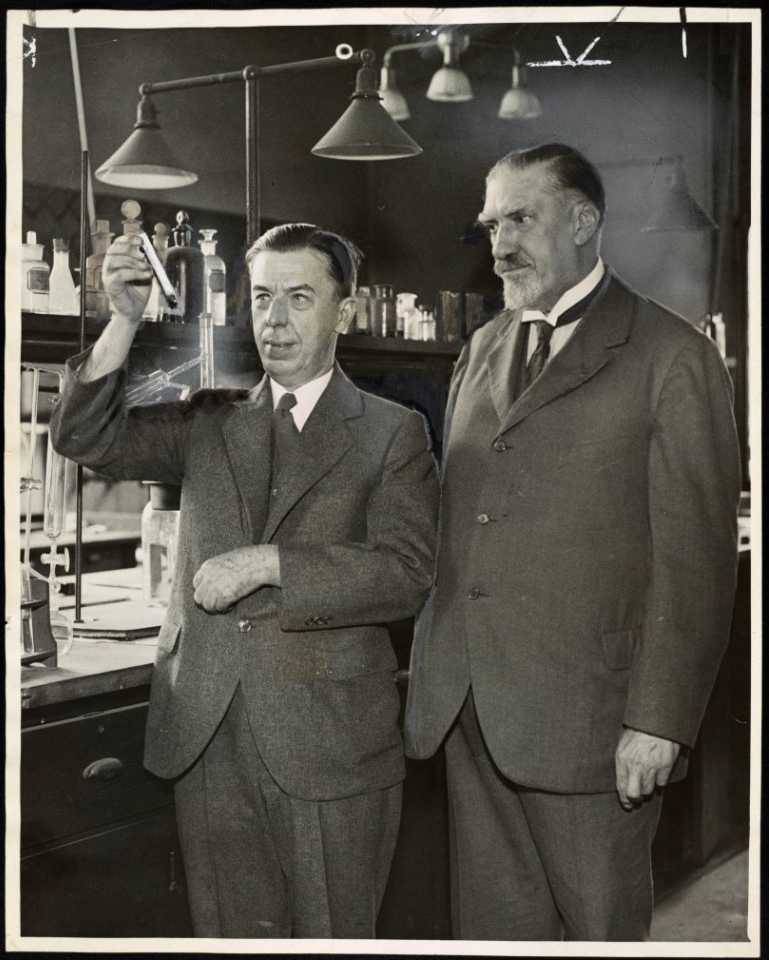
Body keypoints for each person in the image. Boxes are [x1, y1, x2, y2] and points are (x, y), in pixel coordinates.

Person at [50, 223, 439, 939]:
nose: (274, 320)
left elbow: (406, 573)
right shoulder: (210, 418)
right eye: (261, 298)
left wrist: (270, 563)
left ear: (344, 313)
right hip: (207, 731)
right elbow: (84, 439)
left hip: (328, 744)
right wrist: (124, 319)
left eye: (298, 298)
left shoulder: (392, 431)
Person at [404, 143, 741, 941]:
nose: (499, 243)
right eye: (490, 223)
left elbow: (696, 562)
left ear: (585, 221)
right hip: (469, 710)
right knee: (494, 934)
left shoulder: (672, 357)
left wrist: (658, 720)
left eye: (521, 217)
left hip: (593, 726)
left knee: (597, 933)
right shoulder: (482, 350)